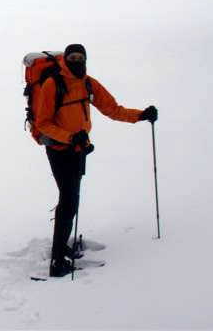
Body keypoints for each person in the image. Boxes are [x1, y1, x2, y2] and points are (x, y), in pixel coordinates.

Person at [34, 43, 158, 277]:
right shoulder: (53, 84)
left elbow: (112, 109)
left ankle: (61, 248)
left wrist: (141, 115)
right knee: (69, 199)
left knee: (72, 199)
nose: (77, 61)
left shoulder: (88, 83)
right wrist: (70, 137)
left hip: (80, 148)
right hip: (60, 149)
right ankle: (57, 260)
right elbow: (43, 123)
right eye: (72, 57)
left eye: (80, 57)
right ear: (66, 60)